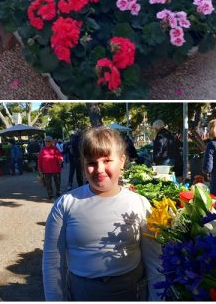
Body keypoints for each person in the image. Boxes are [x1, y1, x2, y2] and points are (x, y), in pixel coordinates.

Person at [42, 127, 162, 301]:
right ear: (83, 164)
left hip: (131, 292)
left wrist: (157, 298)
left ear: (122, 161)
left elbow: (154, 258)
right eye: (91, 163)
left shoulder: (139, 203)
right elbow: (52, 260)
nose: (99, 169)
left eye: (107, 160)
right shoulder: (66, 203)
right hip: (82, 293)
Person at [38, 136, 63, 201]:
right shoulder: (42, 150)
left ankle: (58, 191)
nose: (47, 142)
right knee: (48, 183)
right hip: (46, 170)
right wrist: (40, 169)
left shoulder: (55, 149)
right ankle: (50, 195)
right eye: (46, 141)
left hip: (56, 169)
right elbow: (40, 160)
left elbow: (60, 156)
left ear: (51, 142)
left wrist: (60, 160)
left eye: (48, 141)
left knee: (57, 182)